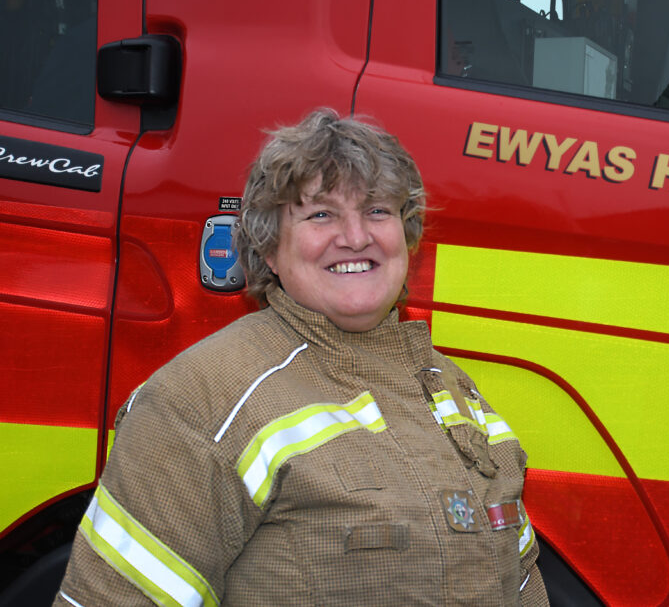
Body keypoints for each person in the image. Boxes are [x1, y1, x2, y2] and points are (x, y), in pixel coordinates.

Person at [53, 109, 548, 606]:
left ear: (406, 234)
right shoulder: (201, 402)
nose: (356, 236)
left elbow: (524, 579)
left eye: (377, 210)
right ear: (270, 249)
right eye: (320, 214)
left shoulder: (452, 388)